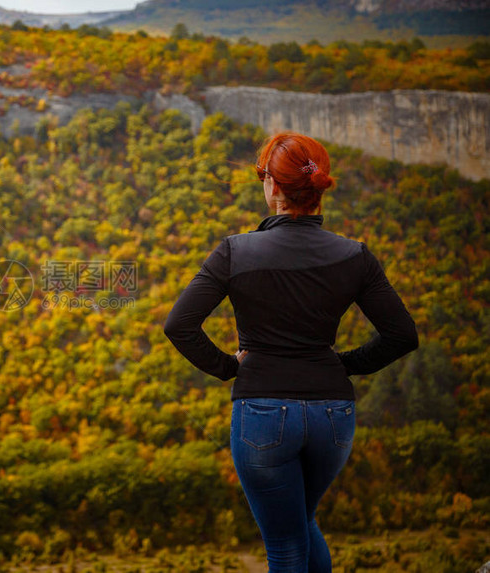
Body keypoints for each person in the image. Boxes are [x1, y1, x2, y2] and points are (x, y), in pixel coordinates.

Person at [162, 132, 418, 572]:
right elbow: (401, 335)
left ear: (274, 188)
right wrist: (343, 364)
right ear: (317, 189)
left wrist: (227, 367)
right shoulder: (355, 256)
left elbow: (179, 325)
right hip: (333, 416)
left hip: (262, 411)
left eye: (264, 177)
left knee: (284, 547)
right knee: (302, 523)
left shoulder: (234, 251)